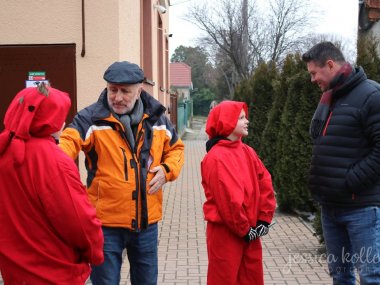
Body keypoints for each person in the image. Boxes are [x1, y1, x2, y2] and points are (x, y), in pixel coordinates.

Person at [59, 61, 185, 285]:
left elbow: (176, 148)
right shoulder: (90, 119)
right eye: (112, 89)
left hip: (146, 223)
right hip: (105, 225)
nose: (117, 97)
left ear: (139, 90)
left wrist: (167, 170)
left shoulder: (157, 119)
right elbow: (66, 145)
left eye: (125, 91)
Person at [0, 83, 104, 284]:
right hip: (55, 272)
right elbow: (78, 221)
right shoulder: (53, 161)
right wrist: (95, 251)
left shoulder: (4, 149)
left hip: (15, 271)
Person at [302, 41, 380, 284]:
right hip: (331, 206)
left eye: (314, 73)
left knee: (370, 276)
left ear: (330, 64)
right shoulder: (330, 98)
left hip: (362, 208)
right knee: (340, 275)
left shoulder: (371, 95)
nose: (312, 80)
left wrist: (350, 181)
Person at [201, 100, 276, 285]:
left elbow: (265, 182)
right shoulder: (216, 158)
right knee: (224, 278)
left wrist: (263, 219)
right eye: (241, 117)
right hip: (227, 233)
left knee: (251, 278)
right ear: (227, 122)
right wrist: (244, 229)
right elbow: (228, 201)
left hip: (249, 231)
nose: (246, 121)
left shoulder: (247, 151)